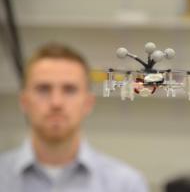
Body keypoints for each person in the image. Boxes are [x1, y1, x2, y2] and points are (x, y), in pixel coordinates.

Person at [0, 43, 148, 192]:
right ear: (24, 101)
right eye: (43, 89)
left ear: (88, 103)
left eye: (69, 89)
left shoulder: (126, 185)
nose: (56, 102)